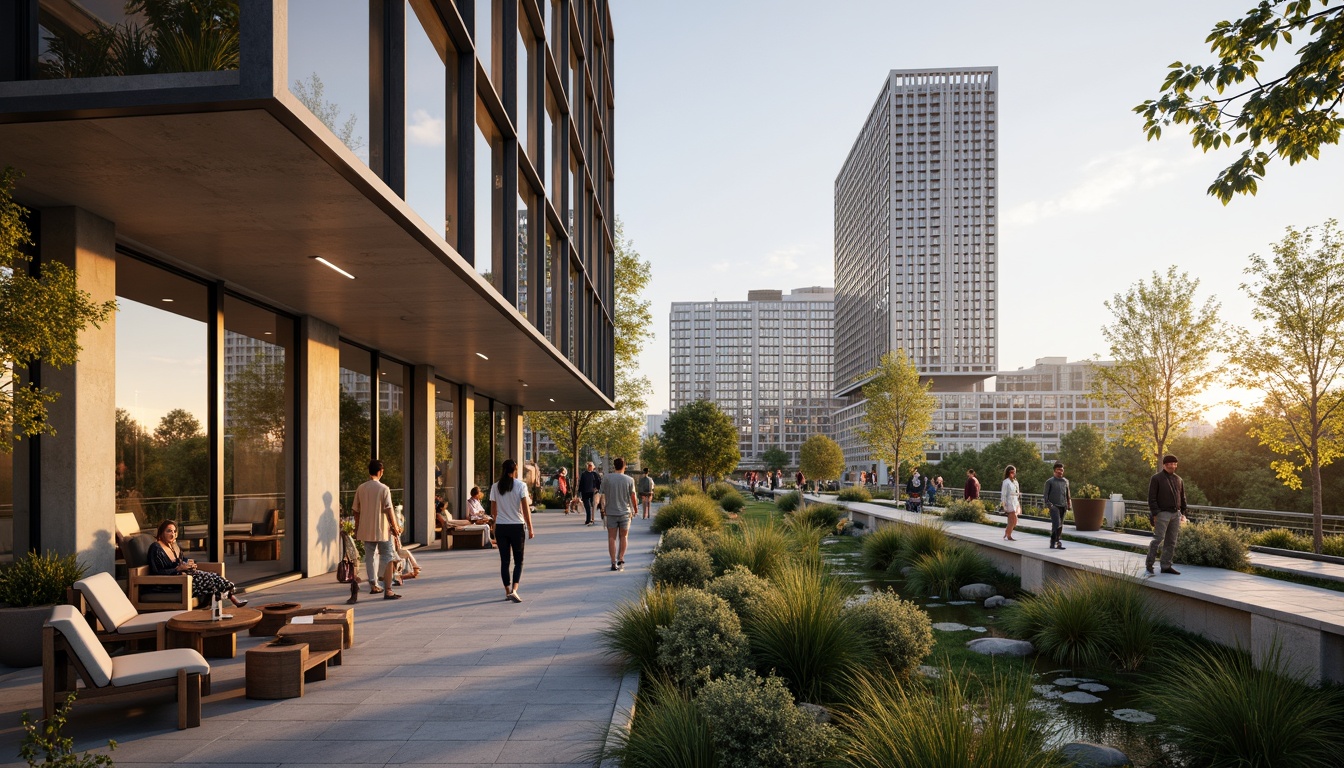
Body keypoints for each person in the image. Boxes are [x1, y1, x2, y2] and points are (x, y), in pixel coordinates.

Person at [147, 520, 247, 607]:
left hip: (184, 577)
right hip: (171, 583)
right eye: (169, 531)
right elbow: (156, 572)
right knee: (209, 580)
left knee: (213, 576)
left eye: (174, 531)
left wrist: (190, 564)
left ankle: (228, 597)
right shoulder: (156, 548)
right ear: (161, 532)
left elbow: (182, 560)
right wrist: (178, 569)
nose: (172, 534)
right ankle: (229, 596)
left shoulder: (172, 546)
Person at [353, 459, 402, 600]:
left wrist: (357, 528)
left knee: (369, 556)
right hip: (382, 529)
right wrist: (395, 526)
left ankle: (374, 584)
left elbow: (355, 510)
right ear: (380, 471)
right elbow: (389, 509)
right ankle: (388, 589)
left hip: (366, 528)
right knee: (387, 555)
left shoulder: (361, 488)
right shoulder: (383, 489)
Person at [491, 458, 535, 601]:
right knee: (518, 561)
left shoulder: (495, 487)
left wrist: (495, 525)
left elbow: (493, 511)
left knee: (504, 561)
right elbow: (525, 509)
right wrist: (530, 527)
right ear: (515, 470)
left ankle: (507, 590)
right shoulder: (521, 486)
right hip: (517, 527)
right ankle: (515, 589)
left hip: (501, 527)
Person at [1146, 455, 1188, 575]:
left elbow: (1182, 497)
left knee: (1171, 541)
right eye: (1170, 464)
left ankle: (1166, 566)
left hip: (1176, 514)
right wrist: (1155, 513)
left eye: (1174, 463)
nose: (1172, 466)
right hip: (1162, 513)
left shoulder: (1179, 479)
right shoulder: (1156, 478)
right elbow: (1151, 497)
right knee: (1157, 539)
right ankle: (1149, 564)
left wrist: (1183, 513)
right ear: (1164, 465)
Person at [600, 457, 639, 570]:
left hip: (611, 512)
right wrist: (635, 509)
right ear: (624, 466)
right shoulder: (629, 480)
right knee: (624, 536)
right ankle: (621, 558)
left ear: (614, 466)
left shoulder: (606, 478)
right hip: (625, 513)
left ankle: (613, 562)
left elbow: (601, 494)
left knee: (611, 538)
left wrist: (603, 508)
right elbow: (633, 497)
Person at [1043, 462, 1071, 550]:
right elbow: (1045, 496)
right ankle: (1054, 541)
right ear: (1054, 471)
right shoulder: (1049, 482)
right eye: (1058, 470)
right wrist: (1050, 505)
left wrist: (1068, 503)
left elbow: (1067, 494)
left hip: (1063, 506)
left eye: (1062, 470)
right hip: (1054, 506)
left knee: (1060, 525)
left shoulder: (1065, 481)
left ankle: (1056, 542)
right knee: (1056, 523)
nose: (1060, 471)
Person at [578, 461, 602, 526]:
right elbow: (581, 483)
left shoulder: (595, 474)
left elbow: (599, 482)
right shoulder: (583, 474)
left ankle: (592, 519)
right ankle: (588, 520)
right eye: (589, 466)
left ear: (593, 467)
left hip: (592, 493)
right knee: (587, 507)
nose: (590, 467)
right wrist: (579, 492)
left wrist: (597, 488)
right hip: (585, 492)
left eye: (591, 466)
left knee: (593, 506)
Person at [1000, 465, 1021, 542]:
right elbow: (1003, 494)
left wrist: (1018, 495)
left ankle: (1007, 532)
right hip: (1009, 502)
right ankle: (1009, 535)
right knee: (1013, 520)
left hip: (1015, 502)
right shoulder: (1006, 482)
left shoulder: (1015, 482)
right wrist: (1004, 505)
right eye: (1012, 472)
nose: (1013, 473)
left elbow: (1017, 492)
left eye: (1014, 472)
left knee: (1012, 521)